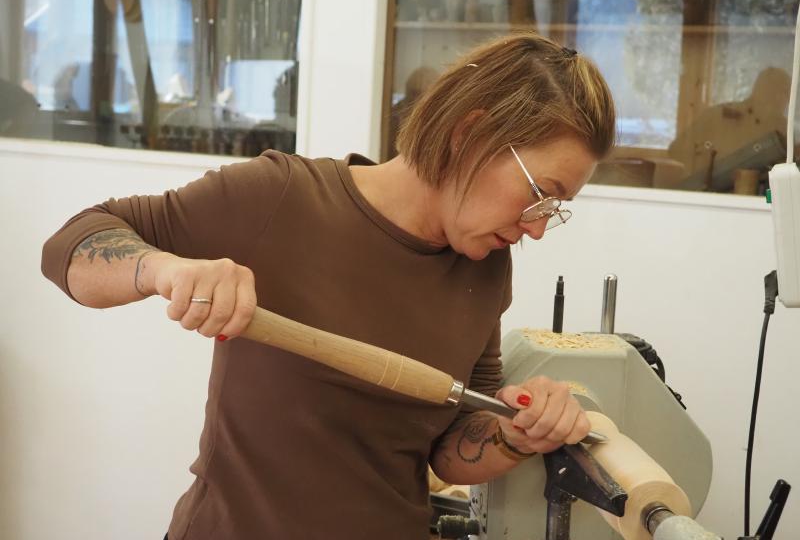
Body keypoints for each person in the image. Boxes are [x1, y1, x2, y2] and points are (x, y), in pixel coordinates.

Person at [41, 31, 616, 540]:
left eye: (556, 209)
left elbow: (449, 445)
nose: (538, 228)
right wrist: (164, 270)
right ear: (471, 134)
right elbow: (70, 246)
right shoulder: (284, 198)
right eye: (541, 194)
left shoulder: (485, 265)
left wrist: (516, 433)